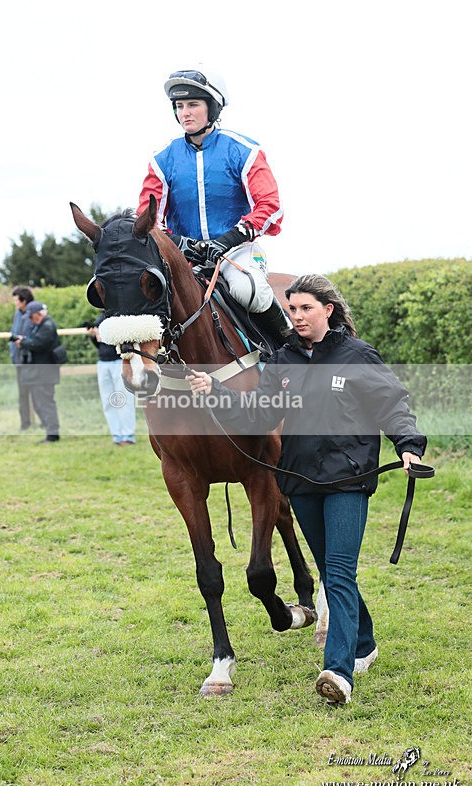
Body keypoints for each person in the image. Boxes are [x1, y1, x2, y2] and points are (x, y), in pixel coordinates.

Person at [186, 274, 427, 705]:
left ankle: (337, 672)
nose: (297, 316)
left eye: (305, 308)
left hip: (347, 481)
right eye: (292, 309)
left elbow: (392, 404)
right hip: (300, 482)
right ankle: (365, 643)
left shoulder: (357, 356)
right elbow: (259, 414)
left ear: (327, 310)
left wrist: (408, 446)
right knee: (333, 571)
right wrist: (216, 391)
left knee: (339, 573)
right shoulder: (282, 361)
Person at [138, 66, 291, 348]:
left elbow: (270, 206)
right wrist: (177, 243)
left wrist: (229, 238)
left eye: (193, 105)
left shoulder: (244, 150)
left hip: (235, 251)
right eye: (179, 106)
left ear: (213, 107)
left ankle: (291, 348)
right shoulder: (162, 159)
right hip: (183, 257)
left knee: (249, 290)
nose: (185, 113)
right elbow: (147, 217)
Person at [86, 313, 136, 446]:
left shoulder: (118, 316)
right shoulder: (99, 319)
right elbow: (99, 345)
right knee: (108, 401)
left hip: (118, 361)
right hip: (103, 362)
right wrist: (93, 336)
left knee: (123, 398)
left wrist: (105, 336)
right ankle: (117, 435)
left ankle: (128, 435)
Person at [15, 301, 61, 444]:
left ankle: (52, 434)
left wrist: (22, 343)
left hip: (45, 373)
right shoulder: (42, 325)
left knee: (45, 403)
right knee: (39, 403)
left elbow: (38, 344)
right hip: (41, 372)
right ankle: (50, 432)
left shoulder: (47, 326)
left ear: (39, 314)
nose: (30, 319)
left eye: (31, 316)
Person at [9, 286, 35, 430]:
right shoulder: (17, 315)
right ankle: (25, 423)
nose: (15, 303)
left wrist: (24, 342)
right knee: (23, 394)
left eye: (16, 301)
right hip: (19, 361)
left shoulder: (34, 314)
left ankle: (45, 422)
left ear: (24, 301)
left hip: (32, 361)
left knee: (37, 393)